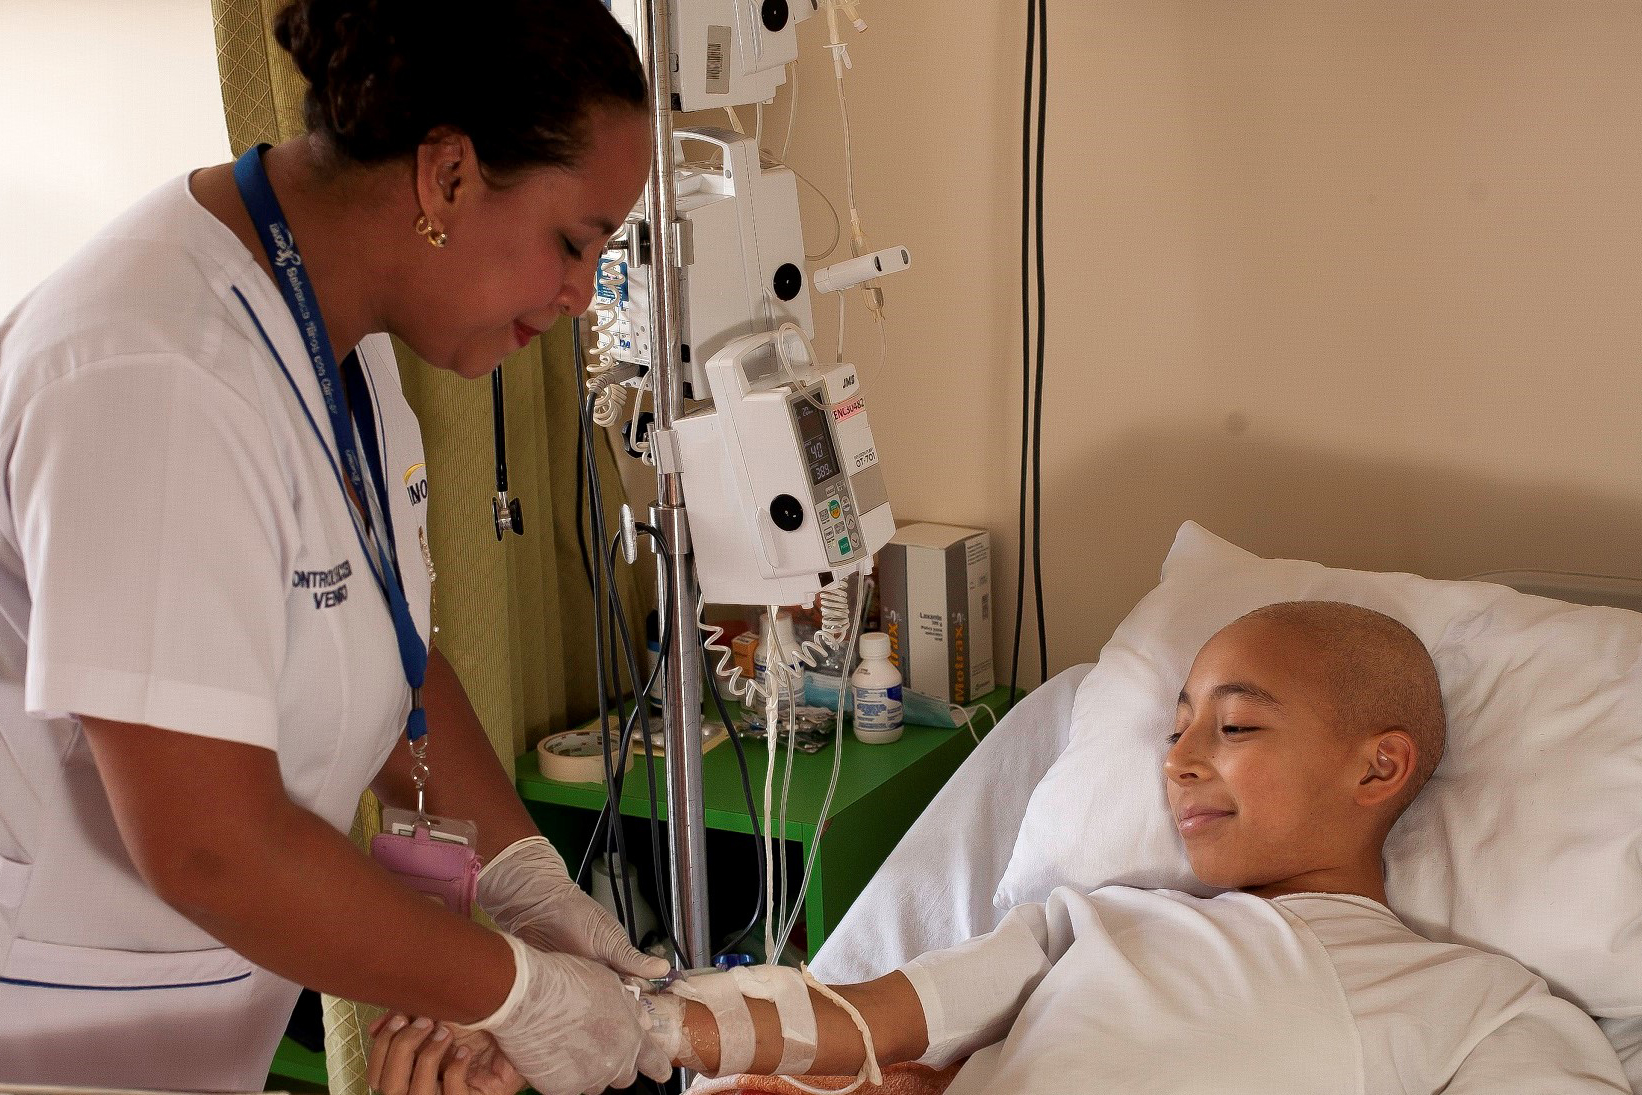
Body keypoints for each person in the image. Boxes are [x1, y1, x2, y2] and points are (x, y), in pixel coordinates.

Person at [0, 2, 671, 1092]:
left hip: (184, 1026)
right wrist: (512, 991)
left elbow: (393, 650)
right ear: (449, 175)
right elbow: (208, 846)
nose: (578, 296)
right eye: (572, 240)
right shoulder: (157, 374)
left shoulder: (335, 335)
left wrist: (525, 880)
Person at [372, 601, 1631, 1094]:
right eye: (1176, 724)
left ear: (1380, 765)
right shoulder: (1088, 917)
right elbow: (854, 1018)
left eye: (1235, 725)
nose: (1179, 757)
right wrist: (624, 1025)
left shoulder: (1471, 1002)